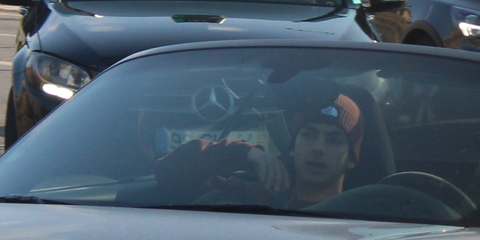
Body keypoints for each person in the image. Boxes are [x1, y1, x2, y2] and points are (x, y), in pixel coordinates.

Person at [154, 91, 363, 209]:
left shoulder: (367, 213)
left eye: (334, 140)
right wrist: (243, 154)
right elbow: (168, 173)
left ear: (352, 157)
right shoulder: (254, 196)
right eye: (308, 135)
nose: (318, 148)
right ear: (292, 147)